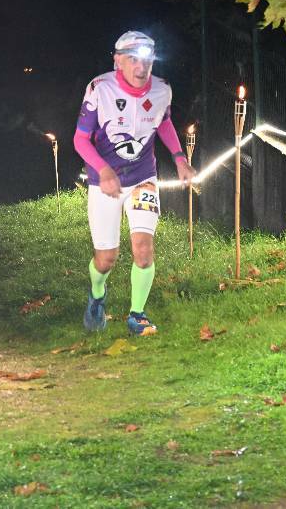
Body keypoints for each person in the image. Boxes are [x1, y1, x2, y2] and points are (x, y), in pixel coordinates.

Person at [73, 31, 196, 336]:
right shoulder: (99, 88)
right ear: (118, 61)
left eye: (147, 61)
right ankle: (97, 295)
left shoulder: (162, 89)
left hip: (143, 177)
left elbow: (163, 122)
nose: (141, 68)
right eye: (133, 60)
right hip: (105, 182)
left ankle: (137, 315)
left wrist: (179, 158)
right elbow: (80, 139)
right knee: (106, 259)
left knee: (143, 249)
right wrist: (103, 170)